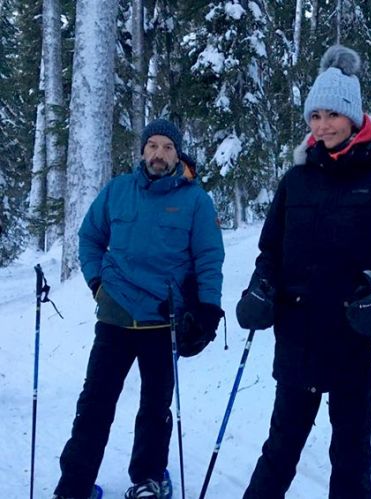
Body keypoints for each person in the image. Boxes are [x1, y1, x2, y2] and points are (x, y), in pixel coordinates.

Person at [236, 45, 371, 498]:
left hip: (359, 339)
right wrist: (261, 287)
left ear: (354, 116)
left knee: (350, 456)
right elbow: (271, 250)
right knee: (280, 448)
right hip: (299, 333)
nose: (322, 126)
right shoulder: (297, 180)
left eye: (332, 115)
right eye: (314, 116)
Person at [53, 119, 225, 499]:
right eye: (153, 146)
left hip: (163, 321)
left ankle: (148, 478)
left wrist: (209, 307)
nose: (159, 154)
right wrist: (98, 285)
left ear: (177, 154)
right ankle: (74, 487)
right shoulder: (118, 190)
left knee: (154, 408)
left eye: (167, 147)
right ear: (142, 151)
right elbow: (89, 238)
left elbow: (209, 257)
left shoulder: (195, 200)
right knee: (94, 405)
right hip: (114, 317)